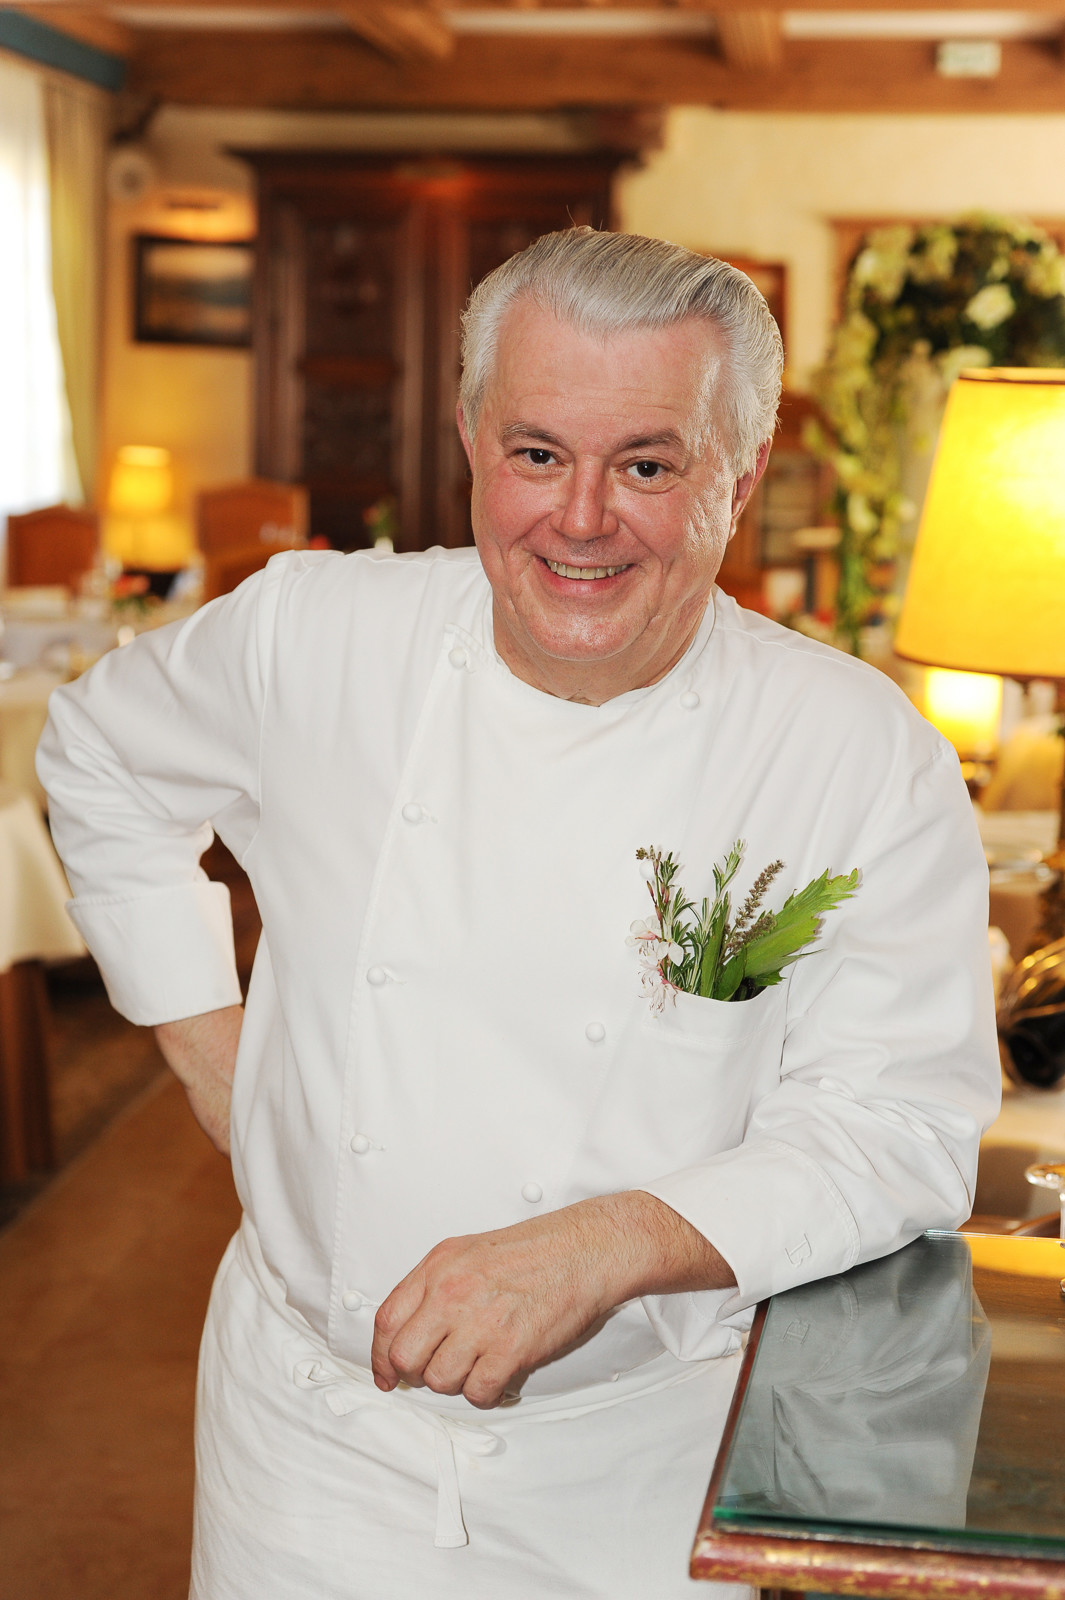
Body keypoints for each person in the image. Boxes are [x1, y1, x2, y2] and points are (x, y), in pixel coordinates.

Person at [38, 228, 1000, 1600]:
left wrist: (607, 1242)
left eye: (648, 466)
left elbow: (899, 1128)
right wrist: (203, 1039)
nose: (581, 518)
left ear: (740, 477)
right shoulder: (312, 632)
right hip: (313, 1450)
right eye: (537, 453)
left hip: (645, 1468)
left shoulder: (857, 751)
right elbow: (97, 754)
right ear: (470, 441)